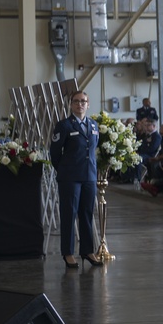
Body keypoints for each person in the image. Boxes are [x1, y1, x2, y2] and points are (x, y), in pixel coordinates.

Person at [50, 90, 102, 269]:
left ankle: (87, 251)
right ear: (71, 104)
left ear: (88, 104)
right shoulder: (64, 125)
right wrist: (65, 171)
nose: (80, 104)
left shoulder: (94, 125)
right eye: (76, 101)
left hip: (89, 176)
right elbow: (55, 154)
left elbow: (93, 151)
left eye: (83, 101)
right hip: (70, 178)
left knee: (87, 214)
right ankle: (68, 253)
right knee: (69, 214)